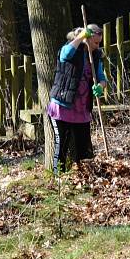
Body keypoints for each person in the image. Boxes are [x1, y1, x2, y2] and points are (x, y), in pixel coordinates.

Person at [47, 24, 108, 172]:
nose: (98, 46)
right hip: (62, 107)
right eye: (96, 42)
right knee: (61, 146)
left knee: (84, 149)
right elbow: (64, 55)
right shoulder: (73, 49)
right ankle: (59, 180)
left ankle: (85, 177)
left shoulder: (96, 56)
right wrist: (80, 36)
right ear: (86, 38)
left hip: (82, 111)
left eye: (99, 43)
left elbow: (102, 78)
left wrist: (100, 86)